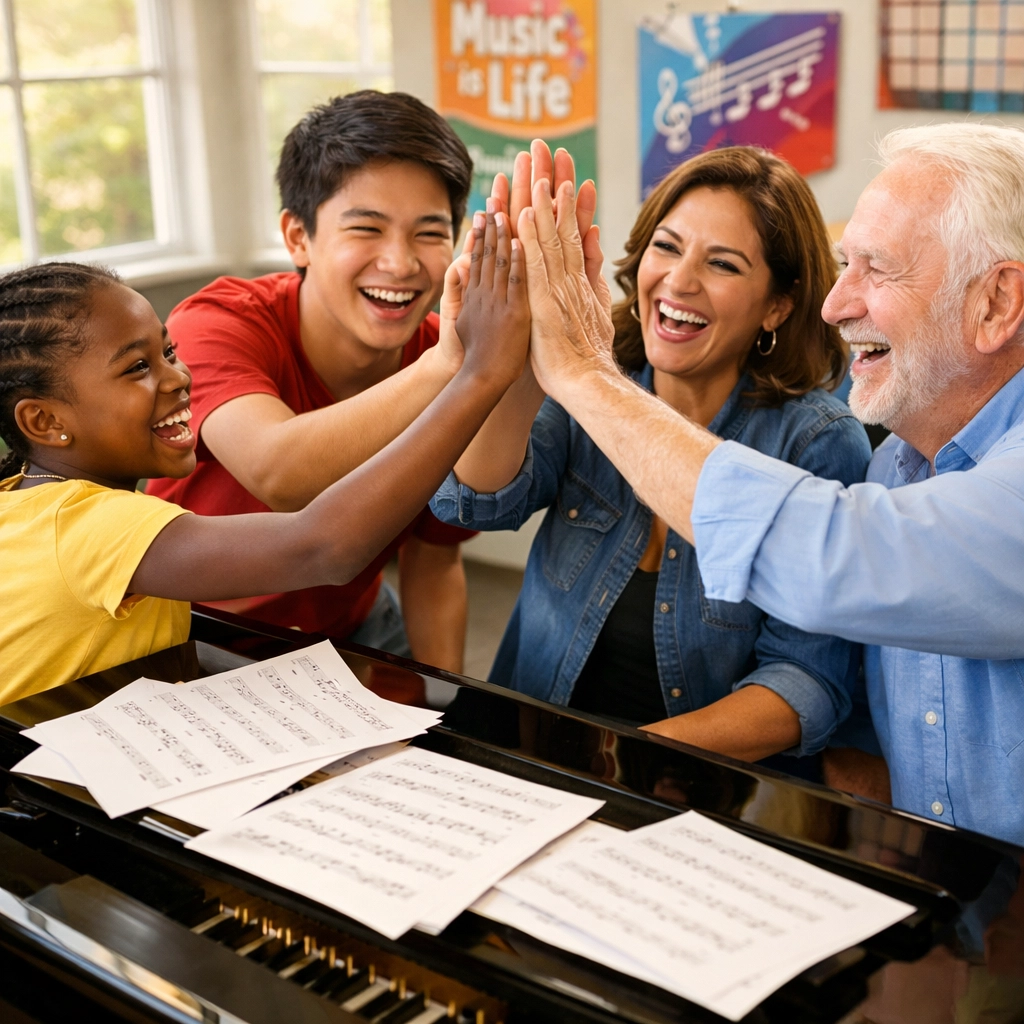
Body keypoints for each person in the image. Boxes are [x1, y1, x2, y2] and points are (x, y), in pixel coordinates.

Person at [509, 128, 1024, 1007]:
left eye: (876, 269)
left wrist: (583, 373)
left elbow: (836, 565)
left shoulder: (843, 449)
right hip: (938, 908)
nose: (836, 302)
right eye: (840, 264)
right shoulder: (901, 456)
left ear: (995, 302)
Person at [432, 147, 870, 773]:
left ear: (777, 305)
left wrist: (626, 760)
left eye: (722, 263)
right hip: (534, 755)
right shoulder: (599, 379)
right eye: (667, 247)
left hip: (696, 783)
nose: (680, 281)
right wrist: (520, 342)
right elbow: (476, 501)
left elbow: (806, 682)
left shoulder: (817, 442)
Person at [0, 207, 526, 704]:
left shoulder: (29, 501)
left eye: (167, 352)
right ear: (44, 422)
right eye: (137, 368)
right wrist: (477, 375)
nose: (179, 378)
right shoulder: (92, 525)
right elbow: (325, 548)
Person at [147, 91, 479, 673]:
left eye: (429, 232)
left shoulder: (439, 350)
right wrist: (451, 368)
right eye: (367, 229)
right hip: (189, 635)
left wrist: (447, 708)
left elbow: (435, 559)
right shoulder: (216, 322)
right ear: (298, 237)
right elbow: (282, 473)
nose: (400, 264)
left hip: (352, 634)